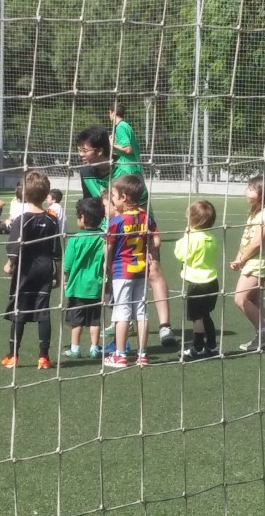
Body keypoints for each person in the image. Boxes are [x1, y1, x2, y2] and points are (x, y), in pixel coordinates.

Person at [74, 125, 176, 347]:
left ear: (100, 150)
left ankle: (165, 326)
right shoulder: (85, 172)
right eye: (79, 150)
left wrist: (148, 238)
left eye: (84, 150)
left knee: (153, 270)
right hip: (109, 231)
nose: (80, 154)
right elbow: (92, 204)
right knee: (111, 275)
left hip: (137, 229)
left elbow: (142, 205)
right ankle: (123, 322)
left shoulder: (126, 168)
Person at [1, 170, 62, 370]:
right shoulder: (52, 219)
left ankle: (13, 355)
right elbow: (56, 247)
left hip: (25, 270)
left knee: (19, 310)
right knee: (43, 311)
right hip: (45, 269)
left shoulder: (22, 219)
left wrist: (10, 263)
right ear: (46, 194)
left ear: (24, 194)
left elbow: (15, 245)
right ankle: (44, 357)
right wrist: (57, 271)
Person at [103, 174, 158, 368]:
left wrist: (107, 267)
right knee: (141, 311)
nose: (112, 199)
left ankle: (120, 355)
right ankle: (142, 354)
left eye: (113, 196)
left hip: (122, 271)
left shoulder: (116, 222)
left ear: (124, 197)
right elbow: (156, 240)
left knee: (122, 312)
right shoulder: (145, 218)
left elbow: (108, 248)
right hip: (141, 270)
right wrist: (151, 253)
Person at [230, 174, 265, 352]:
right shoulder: (256, 212)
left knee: (240, 299)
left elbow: (258, 242)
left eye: (252, 189)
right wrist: (239, 258)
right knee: (256, 301)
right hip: (251, 261)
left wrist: (242, 259)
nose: (247, 192)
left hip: (259, 263)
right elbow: (246, 239)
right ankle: (262, 337)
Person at [174, 200, 221, 359]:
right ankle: (212, 346)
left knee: (197, 318)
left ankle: (198, 347)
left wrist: (185, 236)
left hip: (197, 283)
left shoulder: (192, 238)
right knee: (206, 314)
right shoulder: (211, 238)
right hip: (212, 281)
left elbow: (180, 255)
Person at [61, 197, 105, 359]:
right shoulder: (103, 238)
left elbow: (67, 265)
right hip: (96, 286)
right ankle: (94, 348)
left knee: (76, 321)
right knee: (95, 320)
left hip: (77, 287)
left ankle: (75, 348)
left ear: (82, 217)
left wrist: (65, 280)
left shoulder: (75, 239)